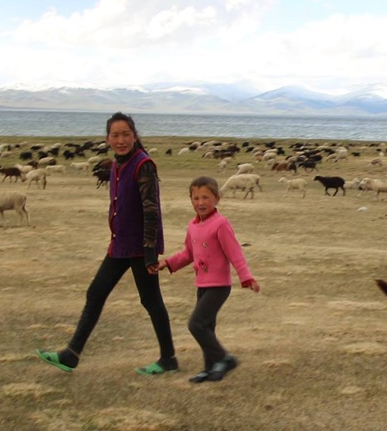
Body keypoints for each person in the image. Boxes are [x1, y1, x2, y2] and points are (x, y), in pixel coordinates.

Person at [36, 112, 176, 375]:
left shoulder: (142, 164)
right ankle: (71, 355)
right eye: (115, 135)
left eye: (126, 134)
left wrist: (149, 252)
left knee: (151, 300)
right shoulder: (116, 165)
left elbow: (151, 210)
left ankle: (168, 358)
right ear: (107, 139)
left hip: (139, 248)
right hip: (120, 245)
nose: (121, 140)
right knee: (96, 293)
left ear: (134, 136)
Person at [154, 176, 259, 383]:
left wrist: (246, 277)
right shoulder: (192, 226)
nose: (201, 202)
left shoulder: (220, 224)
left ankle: (224, 359)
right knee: (207, 327)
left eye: (206, 197)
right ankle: (210, 369)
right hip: (202, 284)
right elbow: (188, 253)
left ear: (217, 199)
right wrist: (168, 263)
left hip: (219, 286)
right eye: (196, 198)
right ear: (191, 200)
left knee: (196, 324)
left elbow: (235, 253)